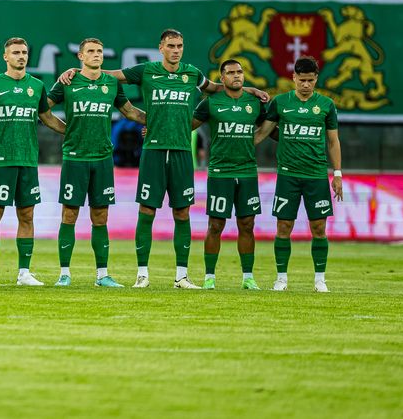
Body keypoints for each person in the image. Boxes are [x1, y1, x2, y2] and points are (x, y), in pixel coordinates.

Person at [57, 29, 269, 289]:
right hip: (153, 151)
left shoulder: (192, 73)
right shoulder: (146, 70)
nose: (176, 50)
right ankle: (142, 275)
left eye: (179, 45)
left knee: (182, 212)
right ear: (161, 48)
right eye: (171, 46)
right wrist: (77, 72)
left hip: (181, 152)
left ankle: (181, 276)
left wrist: (248, 88)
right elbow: (111, 76)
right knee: (146, 211)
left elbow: (216, 88)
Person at [0, 38, 66, 286]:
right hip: (1, 159)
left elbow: (48, 118)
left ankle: (24, 273)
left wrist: (73, 130)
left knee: (27, 215)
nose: (21, 56)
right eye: (16, 52)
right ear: (5, 57)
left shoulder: (37, 86)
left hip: (28, 160)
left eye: (24, 52)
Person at [47, 38, 145, 288]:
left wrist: (158, 121)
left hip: (102, 159)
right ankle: (64, 274)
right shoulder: (67, 81)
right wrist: (65, 130)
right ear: (80, 56)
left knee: (100, 216)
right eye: (90, 51)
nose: (96, 55)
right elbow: (42, 109)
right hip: (75, 158)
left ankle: (102, 275)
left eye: (100, 51)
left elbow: (131, 112)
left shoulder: (111, 83)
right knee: (69, 214)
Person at [254, 55, 343, 293]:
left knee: (319, 229)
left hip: (316, 176)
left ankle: (320, 280)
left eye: (310, 80)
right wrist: (240, 144)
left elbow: (333, 142)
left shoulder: (326, 105)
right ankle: (281, 278)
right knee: (284, 227)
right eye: (301, 80)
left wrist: (338, 174)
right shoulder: (280, 102)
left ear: (316, 79)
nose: (305, 85)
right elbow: (263, 132)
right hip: (288, 176)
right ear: (293, 78)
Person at [191, 60, 266, 290]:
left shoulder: (255, 102)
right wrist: (154, 128)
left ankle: (248, 278)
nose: (237, 76)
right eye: (231, 73)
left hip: (247, 172)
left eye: (240, 72)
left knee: (247, 224)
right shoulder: (210, 102)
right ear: (222, 78)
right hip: (220, 173)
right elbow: (186, 126)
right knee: (216, 225)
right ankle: (209, 277)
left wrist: (257, 140)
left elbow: (269, 127)